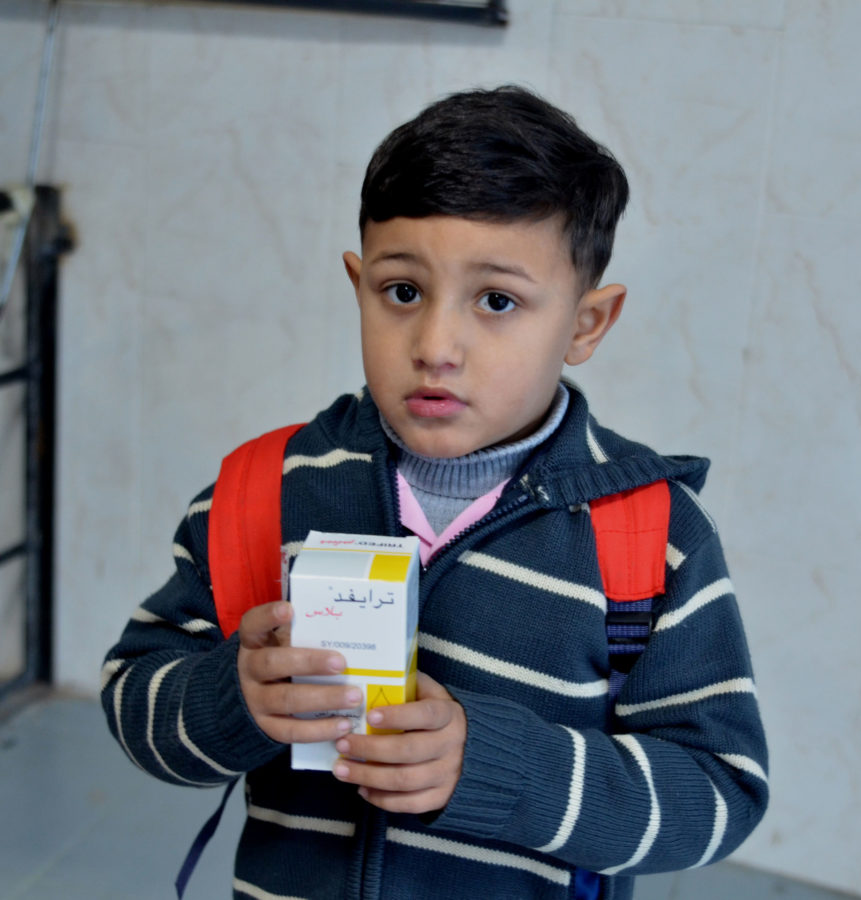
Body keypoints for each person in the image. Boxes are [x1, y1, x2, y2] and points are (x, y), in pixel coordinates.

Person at [101, 85, 768, 900]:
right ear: (358, 285)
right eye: (403, 292)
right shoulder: (262, 495)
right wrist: (231, 699)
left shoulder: (653, 537)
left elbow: (718, 793)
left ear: (586, 324)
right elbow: (136, 700)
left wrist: (497, 769)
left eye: (497, 301)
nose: (436, 346)